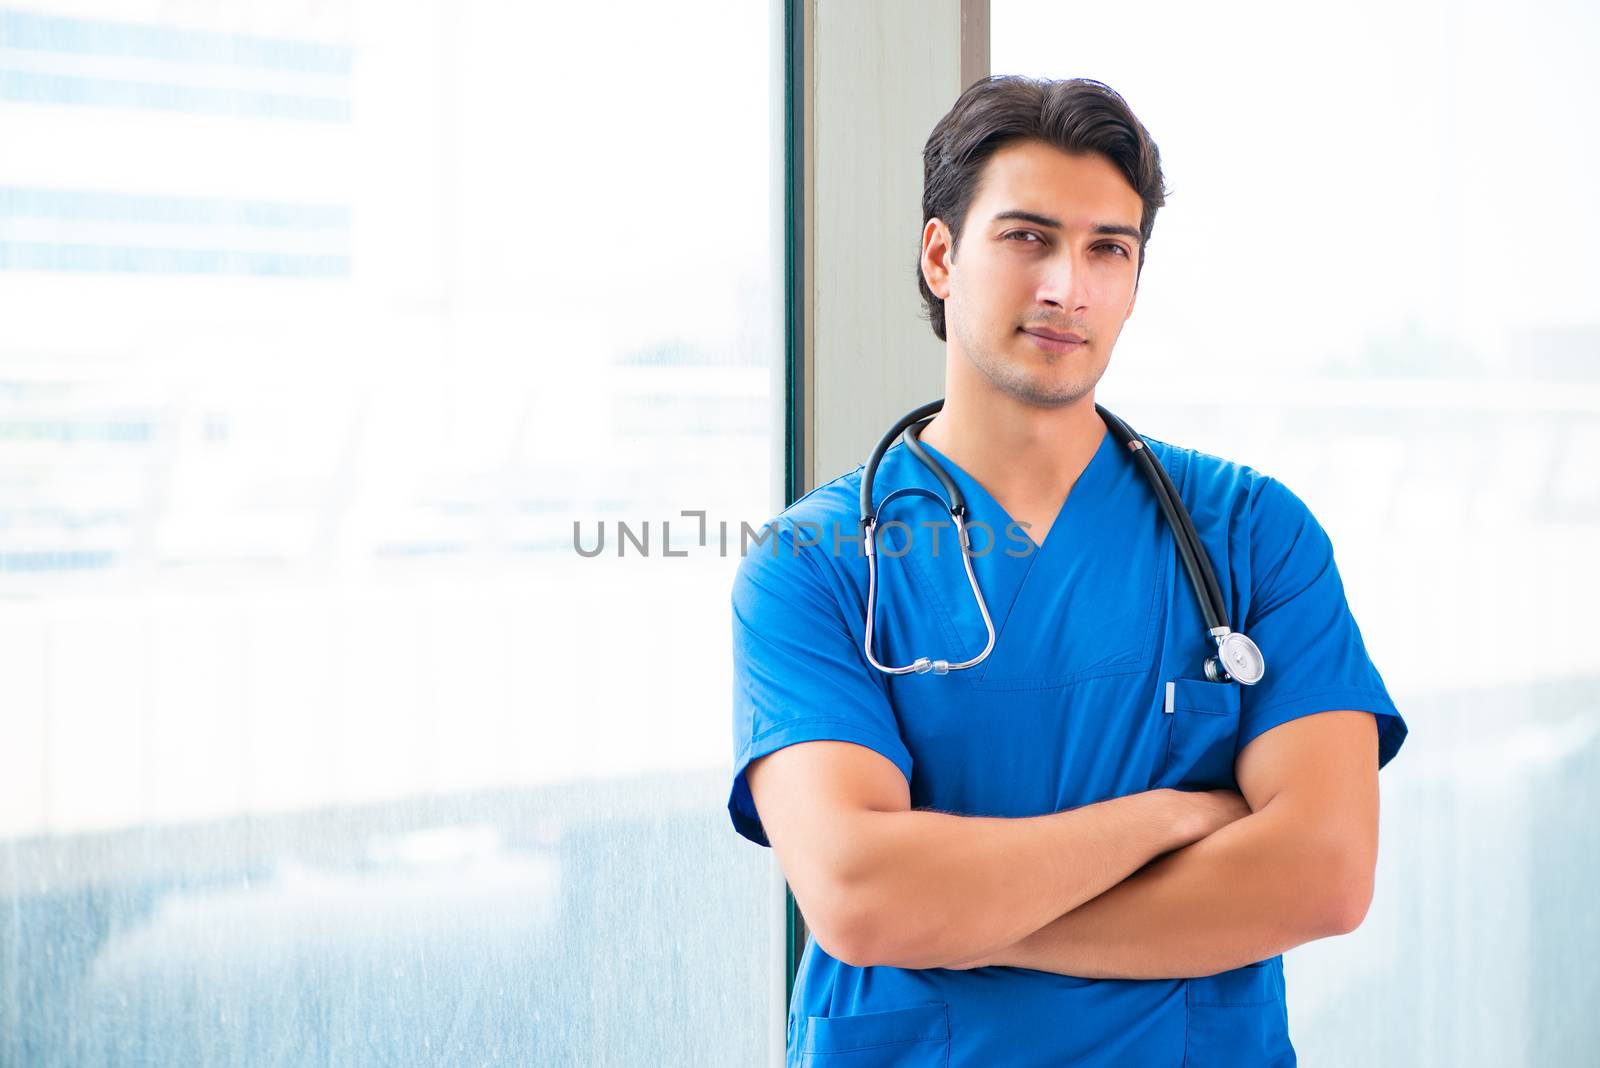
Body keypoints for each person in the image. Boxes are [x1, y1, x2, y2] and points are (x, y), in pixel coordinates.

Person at [727, 74, 1407, 1067]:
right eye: (1026, 238)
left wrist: (963, 919)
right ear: (939, 255)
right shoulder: (818, 563)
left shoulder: (1251, 536)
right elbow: (861, 896)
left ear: (1134, 283)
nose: (1066, 287)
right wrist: (1167, 818)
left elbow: (1324, 875)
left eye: (1107, 250)